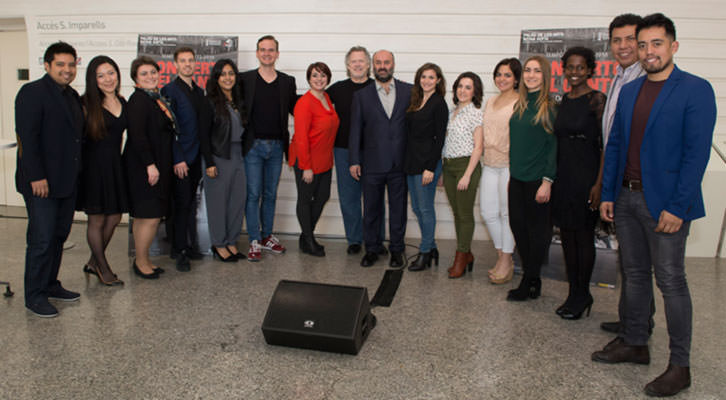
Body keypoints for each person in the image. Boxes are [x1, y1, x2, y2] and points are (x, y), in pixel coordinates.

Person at [591, 13, 716, 397]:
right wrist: (609, 194)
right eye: (642, 45)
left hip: (666, 204)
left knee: (671, 281)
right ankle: (635, 342)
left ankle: (680, 366)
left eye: (656, 43)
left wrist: (678, 207)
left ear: (673, 46)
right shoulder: (630, 91)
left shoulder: (695, 89)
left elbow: (696, 157)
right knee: (635, 273)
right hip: (626, 198)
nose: (647, 51)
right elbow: (615, 147)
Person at [15, 41, 83, 317]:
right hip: (41, 183)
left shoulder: (71, 96)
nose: (67, 70)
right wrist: (37, 177)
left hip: (66, 181)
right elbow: (27, 139)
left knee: (58, 236)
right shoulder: (32, 93)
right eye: (60, 65)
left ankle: (51, 283)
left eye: (71, 65)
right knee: (41, 240)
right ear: (47, 65)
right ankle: (34, 295)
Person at [598, 13, 652, 337]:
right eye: (616, 40)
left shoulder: (645, 78)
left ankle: (638, 327)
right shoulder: (619, 78)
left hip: (640, 183)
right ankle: (631, 321)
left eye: (630, 39)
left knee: (640, 266)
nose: (623, 46)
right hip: (618, 176)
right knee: (629, 262)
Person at [551, 47, 606, 319]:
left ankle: (583, 294)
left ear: (590, 70)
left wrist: (599, 184)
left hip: (587, 177)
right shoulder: (562, 100)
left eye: (580, 68)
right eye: (570, 67)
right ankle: (574, 292)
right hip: (564, 176)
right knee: (568, 238)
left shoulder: (598, 100)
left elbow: (606, 146)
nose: (574, 73)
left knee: (583, 237)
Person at [349, 50, 412, 268]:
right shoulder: (362, 96)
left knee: (398, 209)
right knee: (371, 210)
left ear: (393, 64)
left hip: (400, 163)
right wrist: (354, 160)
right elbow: (355, 130)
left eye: (386, 62)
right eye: (378, 62)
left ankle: (396, 250)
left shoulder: (409, 91)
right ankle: (372, 249)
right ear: (372, 66)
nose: (382, 66)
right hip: (372, 163)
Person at [239, 35, 297, 261]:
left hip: (276, 146)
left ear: (277, 54)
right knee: (253, 194)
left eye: (271, 50)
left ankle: (267, 236)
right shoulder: (245, 79)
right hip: (253, 146)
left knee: (270, 194)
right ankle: (254, 239)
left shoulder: (287, 81)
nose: (267, 53)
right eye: (262, 49)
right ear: (256, 53)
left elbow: (297, 109)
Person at [506, 55, 557, 301]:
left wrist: (547, 181)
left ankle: (529, 279)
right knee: (518, 226)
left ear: (545, 75)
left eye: (537, 71)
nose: (531, 75)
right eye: (527, 70)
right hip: (516, 177)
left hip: (538, 180)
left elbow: (554, 146)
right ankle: (532, 276)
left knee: (538, 232)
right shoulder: (521, 104)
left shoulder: (550, 107)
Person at [77, 55, 128, 286]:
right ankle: (103, 267)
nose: (108, 79)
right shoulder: (85, 104)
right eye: (101, 75)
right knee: (96, 220)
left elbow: (120, 138)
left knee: (115, 216)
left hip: (114, 166)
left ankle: (92, 261)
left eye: (111, 73)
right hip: (93, 168)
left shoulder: (122, 100)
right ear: (93, 79)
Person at [124, 56, 176, 280]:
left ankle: (142, 259)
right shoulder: (138, 101)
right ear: (135, 78)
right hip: (144, 167)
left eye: (153, 72)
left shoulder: (155, 98)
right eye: (144, 74)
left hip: (155, 164)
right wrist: (150, 165)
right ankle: (141, 262)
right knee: (150, 216)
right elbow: (137, 136)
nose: (150, 77)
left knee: (144, 217)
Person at [327, 46, 381, 255]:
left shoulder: (378, 88)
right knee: (349, 197)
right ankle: (354, 240)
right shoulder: (337, 89)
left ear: (368, 65)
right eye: (353, 62)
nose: (358, 65)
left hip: (374, 152)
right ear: (348, 66)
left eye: (361, 61)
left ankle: (374, 239)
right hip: (343, 150)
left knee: (374, 198)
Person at [161, 47, 206, 271]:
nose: (188, 64)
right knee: (180, 205)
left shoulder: (198, 92)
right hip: (180, 159)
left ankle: (188, 245)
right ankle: (178, 250)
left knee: (190, 204)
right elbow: (169, 129)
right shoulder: (169, 90)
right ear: (176, 65)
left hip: (196, 157)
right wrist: (177, 158)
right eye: (183, 61)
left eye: (191, 60)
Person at [199, 59, 247, 262]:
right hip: (218, 157)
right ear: (216, 78)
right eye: (223, 74)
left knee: (237, 201)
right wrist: (209, 162)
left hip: (238, 156)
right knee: (218, 204)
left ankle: (231, 241)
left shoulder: (238, 100)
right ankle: (219, 244)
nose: (228, 78)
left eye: (231, 73)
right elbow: (203, 134)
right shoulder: (209, 101)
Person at [289, 62, 340, 256]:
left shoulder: (326, 97)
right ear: (308, 79)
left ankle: (305, 236)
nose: (319, 79)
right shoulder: (304, 103)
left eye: (322, 75)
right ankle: (309, 240)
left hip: (325, 159)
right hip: (307, 160)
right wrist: (306, 167)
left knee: (322, 197)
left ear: (328, 78)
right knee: (305, 199)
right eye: (314, 76)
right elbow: (301, 137)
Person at [480, 58, 521, 284]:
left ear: (516, 78)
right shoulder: (491, 101)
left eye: (507, 75)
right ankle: (502, 255)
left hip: (509, 165)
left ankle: (505, 260)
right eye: (499, 74)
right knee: (487, 213)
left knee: (507, 214)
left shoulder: (519, 102)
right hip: (489, 163)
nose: (502, 79)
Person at [404, 63, 448, 271]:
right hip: (412, 161)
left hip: (428, 164)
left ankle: (424, 252)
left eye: (431, 77)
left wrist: (431, 167)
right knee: (416, 207)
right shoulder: (416, 100)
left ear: (438, 80)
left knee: (425, 208)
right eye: (423, 77)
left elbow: (439, 139)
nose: (427, 81)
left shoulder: (439, 104)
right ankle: (431, 247)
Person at [442, 72, 484, 278]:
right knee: (457, 212)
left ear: (475, 91)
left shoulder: (476, 112)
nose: (463, 90)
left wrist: (467, 175)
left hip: (466, 166)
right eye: (460, 86)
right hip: (449, 167)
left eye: (468, 87)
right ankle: (467, 254)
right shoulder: (452, 111)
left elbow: (478, 147)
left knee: (466, 214)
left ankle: (460, 257)